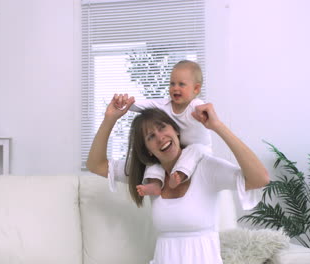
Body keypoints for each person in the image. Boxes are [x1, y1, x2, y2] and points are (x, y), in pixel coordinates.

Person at [87, 94, 269, 264]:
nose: (160, 137)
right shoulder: (149, 175)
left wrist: (217, 126)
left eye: (162, 128)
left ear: (176, 131)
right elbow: (96, 165)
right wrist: (110, 118)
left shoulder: (204, 166)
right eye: (151, 136)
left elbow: (259, 178)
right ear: (148, 149)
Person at [124, 60, 213, 196]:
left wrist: (205, 115)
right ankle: (154, 183)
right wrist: (126, 104)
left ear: (196, 89)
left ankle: (180, 175)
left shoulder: (196, 105)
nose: (175, 88)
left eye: (181, 84)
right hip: (179, 150)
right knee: (156, 160)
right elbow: (145, 105)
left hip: (201, 151)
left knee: (194, 149)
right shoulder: (165, 104)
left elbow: (207, 113)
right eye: (172, 84)